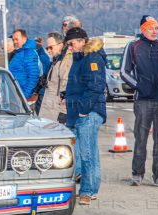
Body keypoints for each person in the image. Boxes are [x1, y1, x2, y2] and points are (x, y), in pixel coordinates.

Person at [121, 16, 158, 187]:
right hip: (143, 101)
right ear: (143, 29)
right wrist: (140, 87)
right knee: (141, 138)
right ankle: (137, 174)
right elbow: (124, 71)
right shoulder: (133, 46)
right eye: (151, 28)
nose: (154, 31)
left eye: (156, 28)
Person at [65, 28, 107, 205]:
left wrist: (83, 109)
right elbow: (79, 85)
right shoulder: (80, 59)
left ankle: (87, 191)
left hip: (88, 113)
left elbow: (96, 86)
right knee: (85, 153)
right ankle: (91, 189)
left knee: (87, 154)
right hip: (79, 112)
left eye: (72, 43)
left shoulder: (93, 58)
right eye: (68, 44)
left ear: (82, 41)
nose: (70, 47)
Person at [38, 32, 72, 124]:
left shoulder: (65, 60)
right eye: (47, 48)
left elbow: (66, 87)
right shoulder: (55, 60)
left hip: (56, 112)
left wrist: (63, 112)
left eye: (51, 47)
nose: (48, 51)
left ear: (60, 45)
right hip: (49, 110)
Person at [9, 29, 40, 100]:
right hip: (16, 93)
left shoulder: (28, 52)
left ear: (24, 38)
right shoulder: (19, 52)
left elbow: (33, 76)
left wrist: (25, 96)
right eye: (13, 40)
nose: (14, 42)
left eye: (17, 39)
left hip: (22, 95)